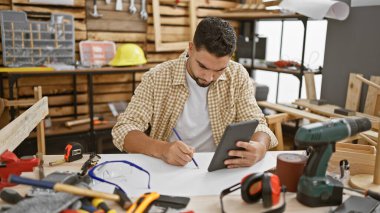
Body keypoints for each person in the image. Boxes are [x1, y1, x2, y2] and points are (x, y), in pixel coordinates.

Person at [112, 17, 278, 168]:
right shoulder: (157, 77)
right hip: (168, 167)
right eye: (203, 66)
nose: (209, 77)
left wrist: (260, 147)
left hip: (220, 168)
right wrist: (163, 149)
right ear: (190, 48)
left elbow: (258, 123)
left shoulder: (237, 74)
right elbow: (124, 128)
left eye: (219, 69)